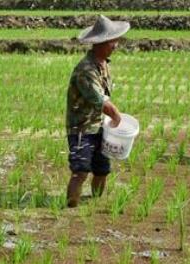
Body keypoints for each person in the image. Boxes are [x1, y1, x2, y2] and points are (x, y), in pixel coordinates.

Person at [65, 15, 130, 208]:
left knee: (102, 170)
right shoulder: (86, 70)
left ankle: (93, 206)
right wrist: (119, 119)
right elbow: (101, 101)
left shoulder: (103, 65)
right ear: (101, 43)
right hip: (82, 128)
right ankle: (70, 208)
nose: (115, 45)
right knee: (81, 170)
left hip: (100, 126)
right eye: (112, 41)